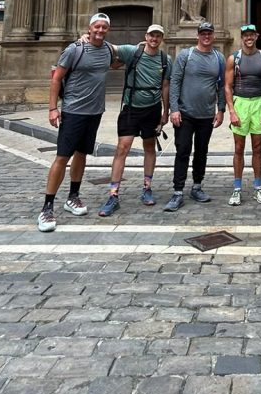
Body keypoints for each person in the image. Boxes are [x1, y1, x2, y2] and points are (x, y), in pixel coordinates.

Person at [38, 12, 118, 233]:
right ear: (89, 28)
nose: (100, 30)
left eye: (104, 27)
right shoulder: (75, 49)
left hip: (94, 112)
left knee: (82, 154)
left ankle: (73, 196)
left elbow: (122, 59)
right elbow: (56, 78)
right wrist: (53, 108)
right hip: (73, 111)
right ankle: (47, 206)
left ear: (108, 30)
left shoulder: (109, 50)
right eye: (97, 27)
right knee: (63, 156)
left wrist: (142, 45)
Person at [97, 24, 172, 218]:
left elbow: (165, 85)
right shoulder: (132, 52)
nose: (154, 39)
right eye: (152, 35)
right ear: (146, 36)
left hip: (153, 109)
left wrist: (166, 112)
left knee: (149, 146)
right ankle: (113, 194)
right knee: (123, 147)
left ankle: (147, 187)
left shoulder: (165, 59)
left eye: (158, 36)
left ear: (161, 39)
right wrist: (87, 38)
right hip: (131, 108)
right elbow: (110, 47)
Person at [163, 21, 225, 212]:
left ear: (213, 35)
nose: (206, 36)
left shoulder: (219, 57)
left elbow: (222, 85)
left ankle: (197, 186)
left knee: (201, 151)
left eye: (209, 33)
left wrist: (221, 109)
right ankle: (178, 191)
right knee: (182, 150)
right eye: (203, 33)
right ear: (198, 35)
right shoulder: (185, 55)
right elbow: (174, 83)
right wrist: (174, 109)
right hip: (185, 113)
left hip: (206, 114)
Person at [225, 24, 261, 205]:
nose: (248, 38)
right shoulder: (233, 58)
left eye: (251, 35)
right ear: (242, 37)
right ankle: (237, 189)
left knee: (257, 147)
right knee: (238, 148)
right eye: (245, 35)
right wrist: (232, 110)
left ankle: (258, 187)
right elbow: (227, 86)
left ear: (257, 36)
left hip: (259, 103)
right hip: (241, 102)